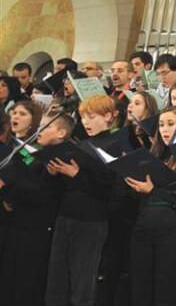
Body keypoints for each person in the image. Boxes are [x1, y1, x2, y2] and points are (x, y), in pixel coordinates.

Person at [45, 95, 117, 306]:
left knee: (82, 278)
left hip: (91, 221)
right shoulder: (82, 144)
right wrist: (55, 173)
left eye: (91, 116)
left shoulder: (114, 144)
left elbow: (108, 188)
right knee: (57, 277)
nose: (85, 122)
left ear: (109, 117)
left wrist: (77, 175)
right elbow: (64, 189)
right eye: (83, 116)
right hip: (66, 215)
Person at [121, 105, 176, 306]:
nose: (164, 129)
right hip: (144, 227)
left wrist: (153, 191)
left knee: (166, 292)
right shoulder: (154, 155)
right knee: (140, 291)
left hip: (174, 231)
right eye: (161, 124)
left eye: (171, 124)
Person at [0, 111, 73, 306]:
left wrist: (8, 188)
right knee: (8, 279)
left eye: (46, 126)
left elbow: (45, 194)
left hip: (38, 229)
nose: (39, 129)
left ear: (61, 133)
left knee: (27, 282)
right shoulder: (27, 151)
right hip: (16, 223)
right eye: (39, 125)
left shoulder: (64, 156)